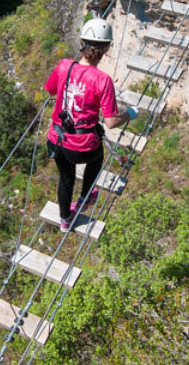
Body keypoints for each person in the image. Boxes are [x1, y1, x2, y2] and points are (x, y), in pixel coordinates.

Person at [44, 17, 137, 232]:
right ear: (106, 49)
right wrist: (130, 114)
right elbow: (112, 121)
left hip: (56, 140)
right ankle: (86, 197)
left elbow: (50, 90)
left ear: (82, 43)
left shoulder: (64, 66)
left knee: (66, 178)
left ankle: (65, 221)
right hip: (81, 147)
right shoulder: (102, 80)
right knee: (97, 158)